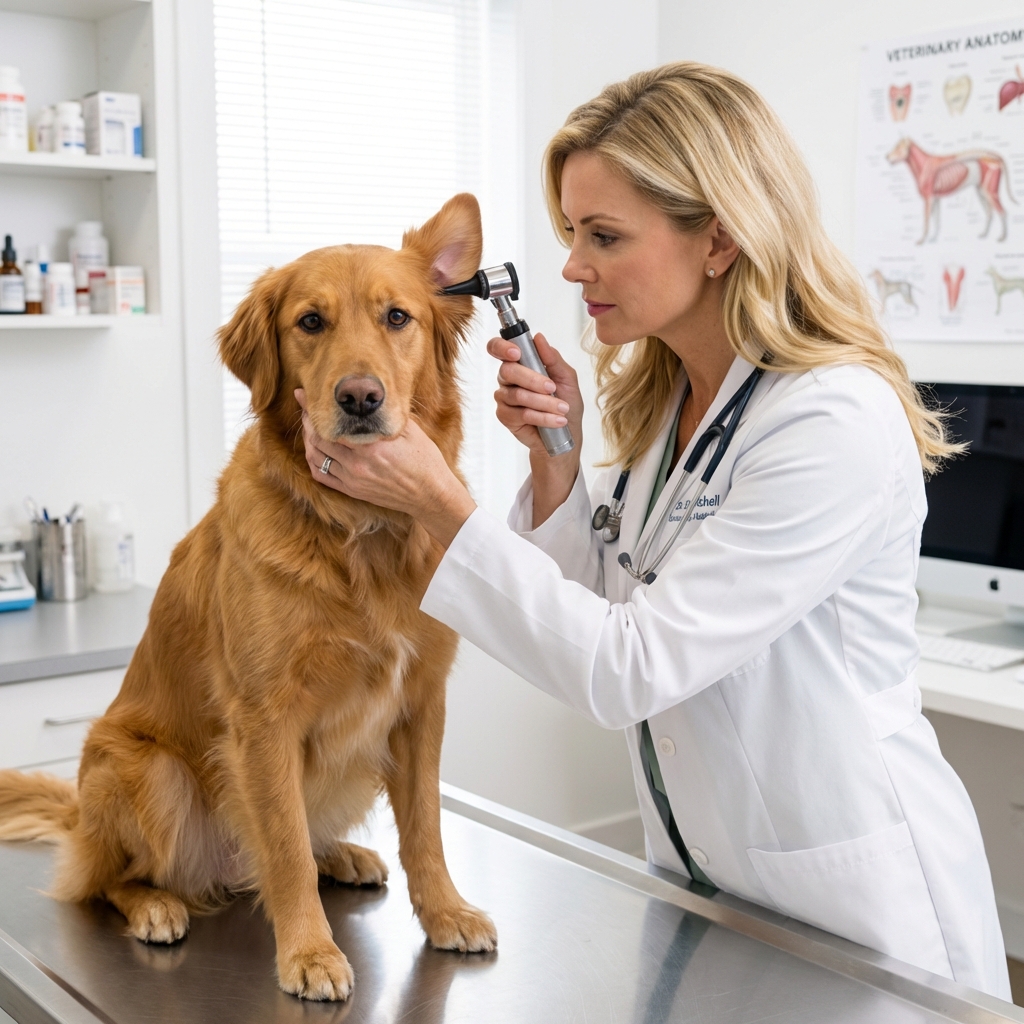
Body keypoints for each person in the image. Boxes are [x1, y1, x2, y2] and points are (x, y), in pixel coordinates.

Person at [295, 63, 1010, 998]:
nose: (570, 266)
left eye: (603, 236)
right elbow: (601, 606)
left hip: (855, 909)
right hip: (705, 881)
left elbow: (631, 666)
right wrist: (557, 465)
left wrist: (436, 500)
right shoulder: (669, 398)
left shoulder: (832, 420)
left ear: (716, 238)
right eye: (568, 233)